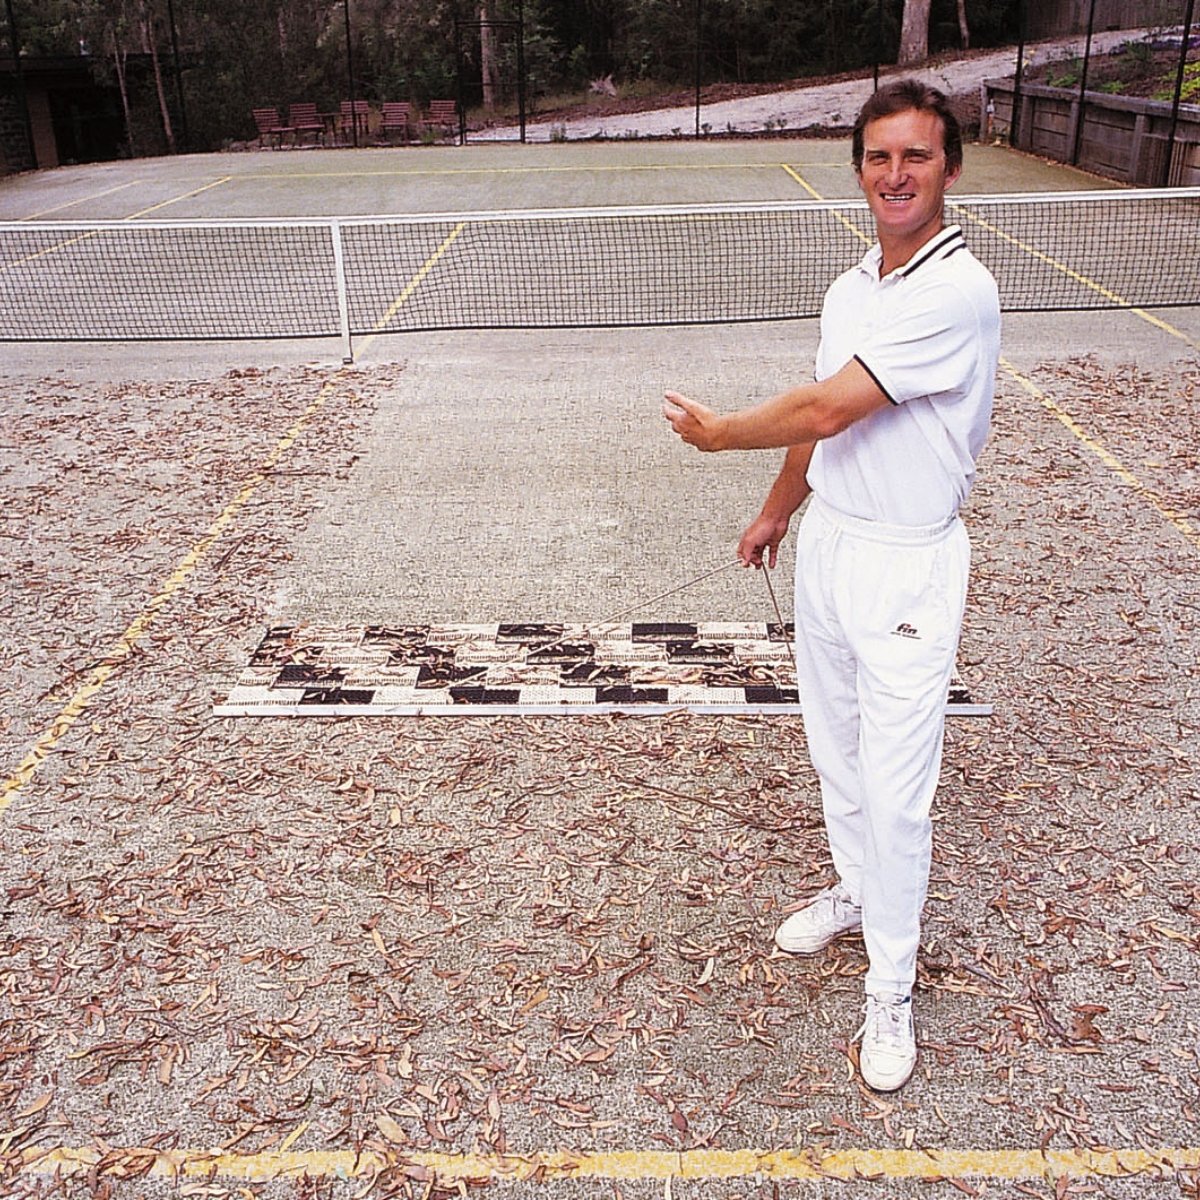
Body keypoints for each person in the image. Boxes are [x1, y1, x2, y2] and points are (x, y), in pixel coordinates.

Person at [661, 78, 1000, 1093]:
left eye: (916, 157)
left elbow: (819, 400)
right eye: (878, 157)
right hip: (834, 550)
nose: (895, 175)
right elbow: (828, 428)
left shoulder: (957, 290)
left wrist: (721, 436)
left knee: (899, 797)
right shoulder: (853, 287)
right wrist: (777, 510)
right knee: (836, 750)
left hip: (907, 557)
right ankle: (857, 895)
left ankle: (890, 990)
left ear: (948, 168)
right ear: (859, 167)